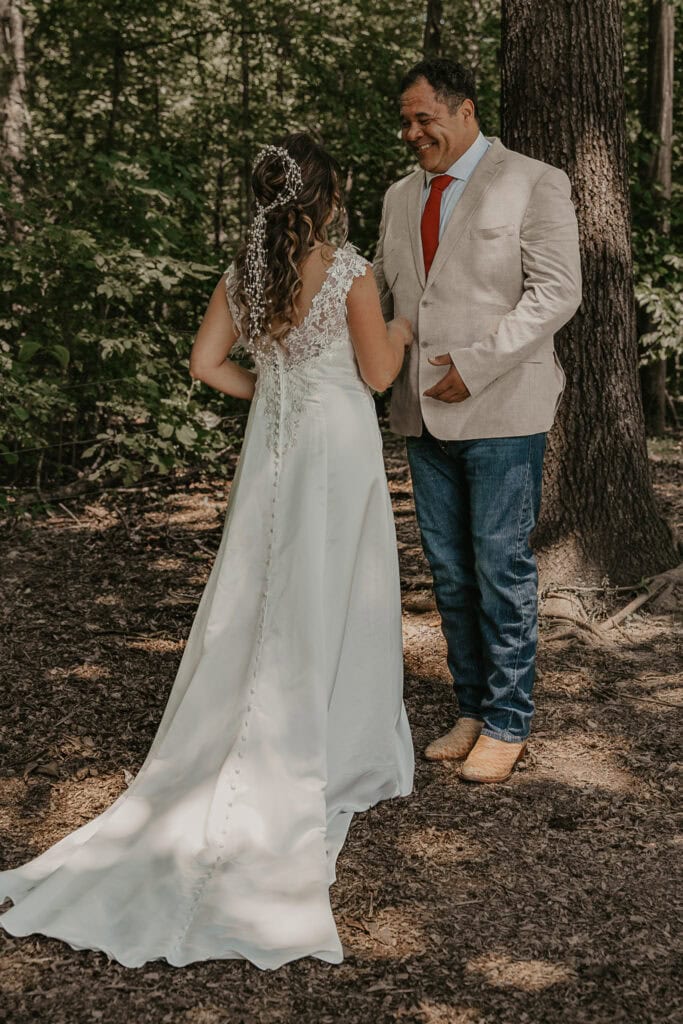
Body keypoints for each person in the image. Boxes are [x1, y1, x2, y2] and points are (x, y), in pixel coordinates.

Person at [0, 133, 415, 969]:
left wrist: (272, 392)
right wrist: (403, 326)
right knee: (340, 585)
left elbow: (203, 363)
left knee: (264, 588)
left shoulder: (245, 273)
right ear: (326, 199)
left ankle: (246, 726)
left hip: (275, 444)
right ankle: (343, 738)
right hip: (337, 441)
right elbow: (375, 375)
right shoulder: (347, 270)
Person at [373, 59, 582, 783]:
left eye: (422, 117)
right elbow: (385, 291)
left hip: (501, 406)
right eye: (404, 120)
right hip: (418, 414)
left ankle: (507, 719)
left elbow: (557, 291)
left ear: (464, 111)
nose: (411, 133)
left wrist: (476, 363)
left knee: (500, 567)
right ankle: (469, 708)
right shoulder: (399, 196)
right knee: (452, 575)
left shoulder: (533, 179)